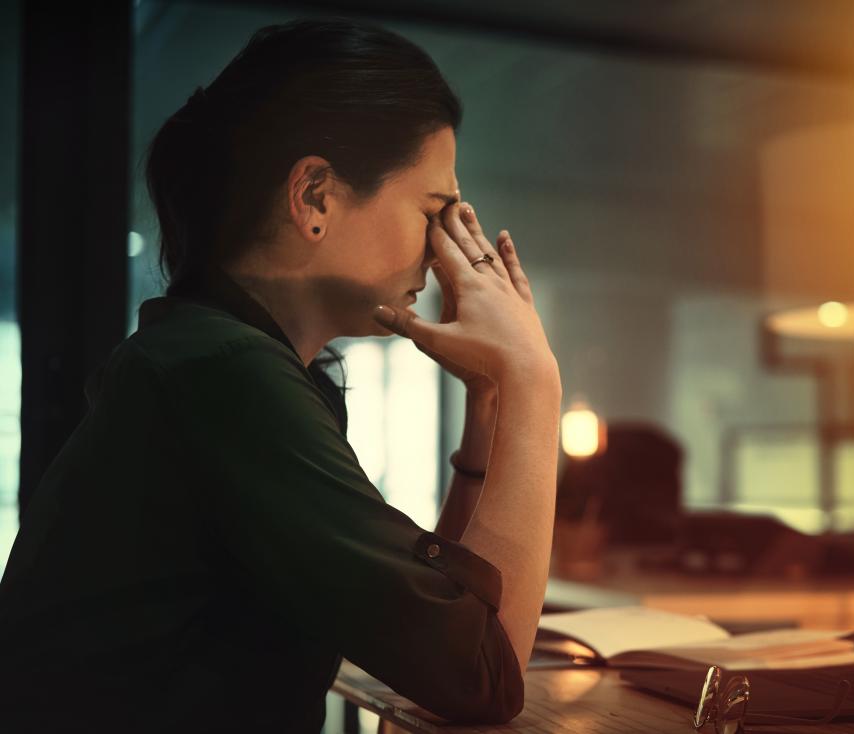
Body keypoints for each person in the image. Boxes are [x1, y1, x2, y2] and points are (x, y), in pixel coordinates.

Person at [0, 17, 560, 732]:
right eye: (434, 210)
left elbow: (436, 634)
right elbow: (482, 676)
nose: (444, 250)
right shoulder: (222, 377)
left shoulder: (225, 364)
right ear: (316, 196)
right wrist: (534, 379)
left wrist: (489, 403)